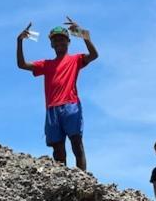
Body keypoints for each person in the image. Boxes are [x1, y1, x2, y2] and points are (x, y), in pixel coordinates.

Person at [16, 18, 98, 170]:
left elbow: (93, 55)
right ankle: (63, 178)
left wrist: (82, 34)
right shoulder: (46, 64)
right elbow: (22, 64)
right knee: (58, 148)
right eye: (56, 40)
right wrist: (19, 41)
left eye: (62, 39)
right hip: (52, 108)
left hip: (70, 105)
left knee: (76, 143)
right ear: (51, 44)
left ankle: (82, 178)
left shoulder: (75, 59)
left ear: (68, 42)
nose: (59, 42)